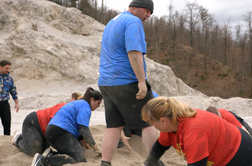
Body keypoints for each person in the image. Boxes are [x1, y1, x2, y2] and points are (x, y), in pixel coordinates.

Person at [98, 0, 163, 165]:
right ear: (135, 7)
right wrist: (141, 81)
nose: (148, 15)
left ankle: (105, 163)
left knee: (113, 126)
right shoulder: (134, 21)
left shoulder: (113, 21)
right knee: (149, 121)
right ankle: (154, 162)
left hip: (106, 82)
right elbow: (134, 53)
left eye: (151, 12)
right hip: (126, 81)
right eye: (147, 11)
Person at [141, 97, 252, 166]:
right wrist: (147, 164)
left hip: (240, 155)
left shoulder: (193, 130)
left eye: (151, 122)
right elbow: (160, 146)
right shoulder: (172, 123)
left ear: (163, 121)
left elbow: (197, 164)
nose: (152, 125)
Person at [31, 87, 103, 166]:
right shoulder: (85, 107)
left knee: (77, 150)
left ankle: (51, 155)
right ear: (92, 100)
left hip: (55, 130)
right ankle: (42, 161)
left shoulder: (80, 103)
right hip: (59, 132)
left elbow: (80, 133)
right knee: (80, 159)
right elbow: (84, 130)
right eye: (98, 103)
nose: (99, 106)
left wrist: (87, 145)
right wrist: (95, 146)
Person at [11, 92, 83, 156]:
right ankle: (18, 138)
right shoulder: (63, 108)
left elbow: (79, 135)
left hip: (46, 131)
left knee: (43, 150)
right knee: (33, 152)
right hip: (34, 123)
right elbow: (54, 128)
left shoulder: (79, 117)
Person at [0, 60, 19, 135]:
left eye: (9, 68)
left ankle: (6, 143)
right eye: (6, 68)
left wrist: (16, 103)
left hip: (5, 105)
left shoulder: (9, 79)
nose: (8, 70)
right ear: (0, 67)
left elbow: (13, 91)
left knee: (7, 124)